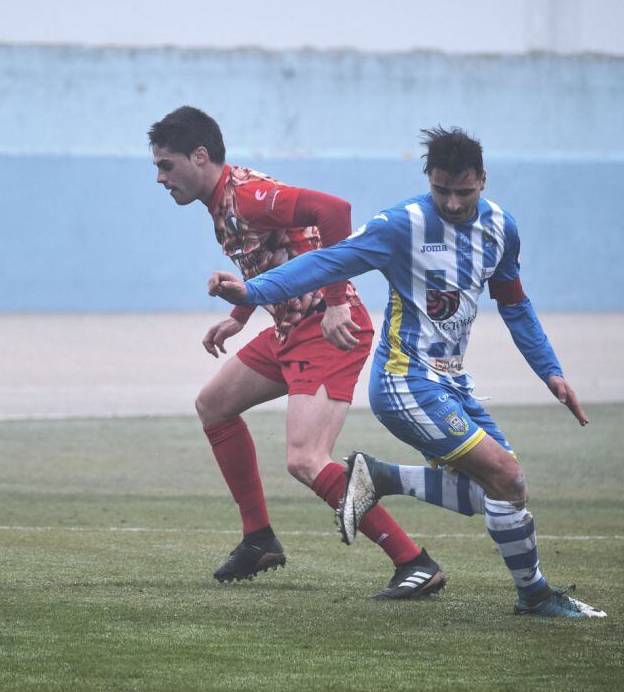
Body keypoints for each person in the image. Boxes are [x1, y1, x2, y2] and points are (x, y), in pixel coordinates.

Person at [207, 126, 606, 618]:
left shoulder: (502, 227)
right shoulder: (401, 225)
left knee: (505, 490)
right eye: (442, 190)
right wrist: (250, 295)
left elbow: (515, 304)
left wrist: (550, 371)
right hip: (405, 381)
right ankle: (536, 595)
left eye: (465, 191)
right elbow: (326, 263)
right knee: (505, 472)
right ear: (428, 179)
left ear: (483, 179)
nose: (454, 203)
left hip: (453, 383)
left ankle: (381, 478)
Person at [148, 106, 444, 599]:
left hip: (328, 329)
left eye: (166, 165)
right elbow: (278, 254)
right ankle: (258, 539)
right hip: (290, 328)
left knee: (306, 459)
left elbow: (334, 211)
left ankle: (414, 561)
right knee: (213, 405)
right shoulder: (221, 204)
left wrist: (333, 302)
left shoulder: (245, 194)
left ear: (200, 156)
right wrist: (239, 316)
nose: (160, 178)